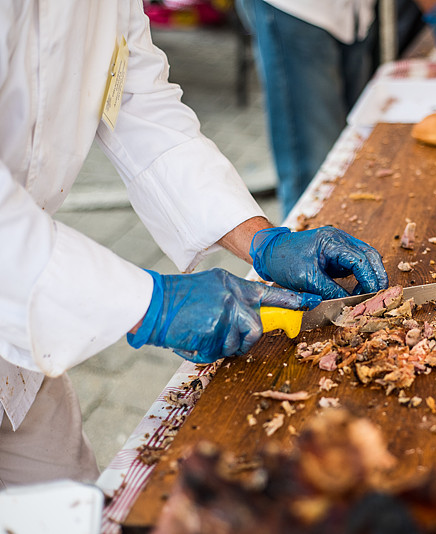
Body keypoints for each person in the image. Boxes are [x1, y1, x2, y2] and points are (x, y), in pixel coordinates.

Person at [0, 0, 387, 488]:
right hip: (22, 277)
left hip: (22, 350)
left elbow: (138, 103)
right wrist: (150, 303)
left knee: (70, 506)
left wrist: (259, 239)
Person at [236, 0, 436, 217]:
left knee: (351, 151)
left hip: (354, 14)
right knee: (312, 168)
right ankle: (300, 273)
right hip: (299, 10)